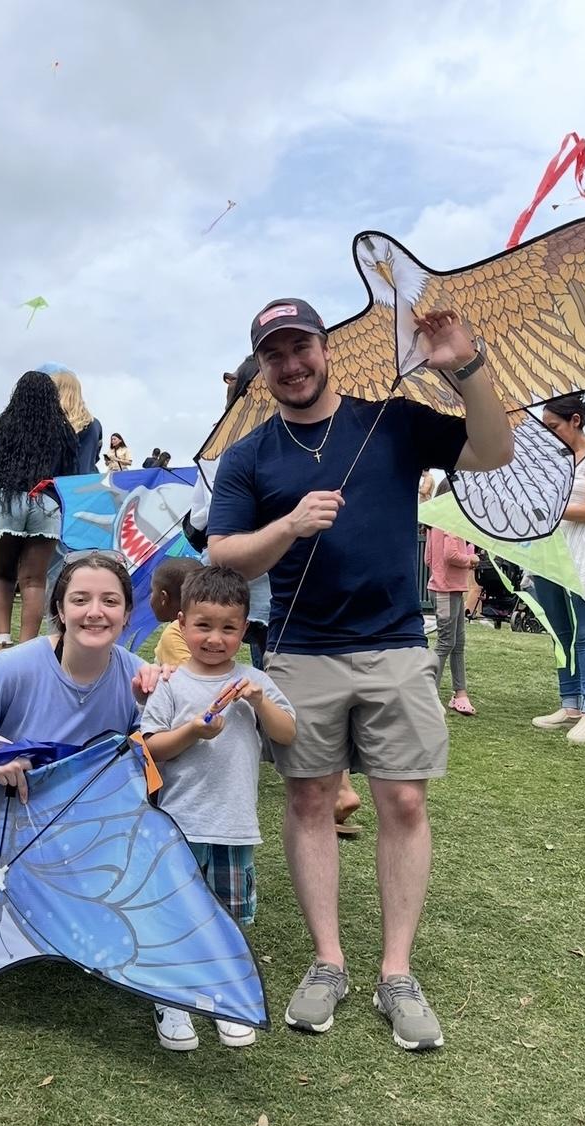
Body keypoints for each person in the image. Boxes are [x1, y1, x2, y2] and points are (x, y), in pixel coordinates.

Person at [208, 297, 513, 1051]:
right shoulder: (250, 455)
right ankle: (328, 960)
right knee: (310, 798)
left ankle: (397, 973)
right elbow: (223, 554)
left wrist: (468, 368)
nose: (291, 365)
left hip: (396, 644)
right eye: (275, 355)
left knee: (403, 801)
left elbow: (493, 450)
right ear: (262, 368)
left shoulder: (393, 421)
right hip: (301, 649)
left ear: (326, 348)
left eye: (301, 347)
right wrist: (288, 525)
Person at [141, 566, 296, 1050]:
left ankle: (222, 995)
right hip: (178, 826)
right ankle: (172, 997)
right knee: (177, 912)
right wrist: (193, 730)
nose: (215, 638)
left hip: (234, 825)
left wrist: (259, 702)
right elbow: (151, 747)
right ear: (182, 624)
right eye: (203, 626)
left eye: (228, 628)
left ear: (245, 629)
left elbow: (287, 733)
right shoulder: (172, 684)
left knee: (229, 918)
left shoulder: (254, 681)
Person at [0, 550, 169, 787]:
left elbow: (158, 759)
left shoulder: (140, 677)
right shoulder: (14, 667)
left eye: (110, 601)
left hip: (97, 812)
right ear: (61, 610)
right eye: (80, 600)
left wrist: (167, 693)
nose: (95, 612)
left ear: (126, 614)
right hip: (10, 806)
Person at [532, 394, 585, 742]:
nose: (549, 433)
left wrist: (551, 508)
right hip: (551, 550)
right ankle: (570, 704)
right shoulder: (558, 459)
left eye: (554, 426)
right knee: (560, 633)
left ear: (576, 421)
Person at [0, 371, 78, 651]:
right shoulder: (63, 433)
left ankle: (1, 641)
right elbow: (71, 477)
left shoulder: (4, 429)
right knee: (34, 580)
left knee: (2, 575)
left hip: (7, 501)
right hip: (46, 504)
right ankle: (27, 648)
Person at [424, 481, 479, 715]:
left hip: (446, 588)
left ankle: (460, 693)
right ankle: (429, 695)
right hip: (446, 590)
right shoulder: (452, 521)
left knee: (457, 642)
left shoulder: (434, 522)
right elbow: (451, 554)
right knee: (447, 642)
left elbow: (428, 558)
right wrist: (471, 560)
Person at [43, 365, 102, 475]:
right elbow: (95, 457)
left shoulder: (50, 424)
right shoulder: (95, 424)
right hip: (89, 481)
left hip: (59, 483)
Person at [150, 557, 201, 666]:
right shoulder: (209, 627)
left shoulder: (173, 634)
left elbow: (188, 674)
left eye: (152, 591)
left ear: (163, 597)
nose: (151, 597)